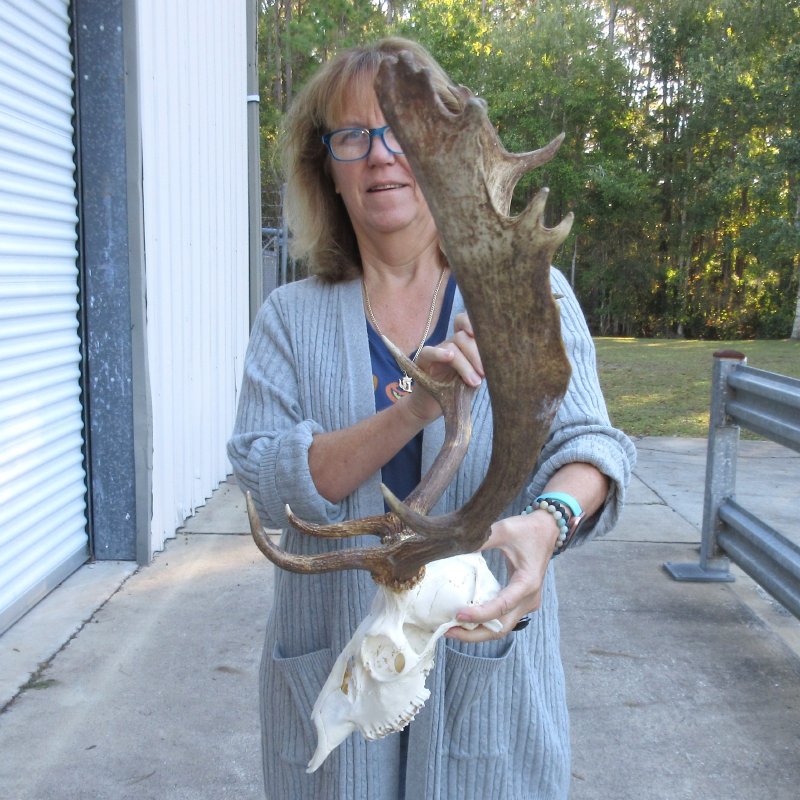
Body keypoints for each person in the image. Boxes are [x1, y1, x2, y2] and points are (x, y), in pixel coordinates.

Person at [228, 36, 635, 800]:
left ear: (440, 154)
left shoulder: (530, 294)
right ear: (327, 168)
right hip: (341, 669)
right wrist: (418, 405)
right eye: (352, 136)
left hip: (486, 670)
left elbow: (592, 446)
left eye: (400, 133)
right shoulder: (289, 316)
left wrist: (548, 524)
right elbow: (268, 479)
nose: (380, 156)